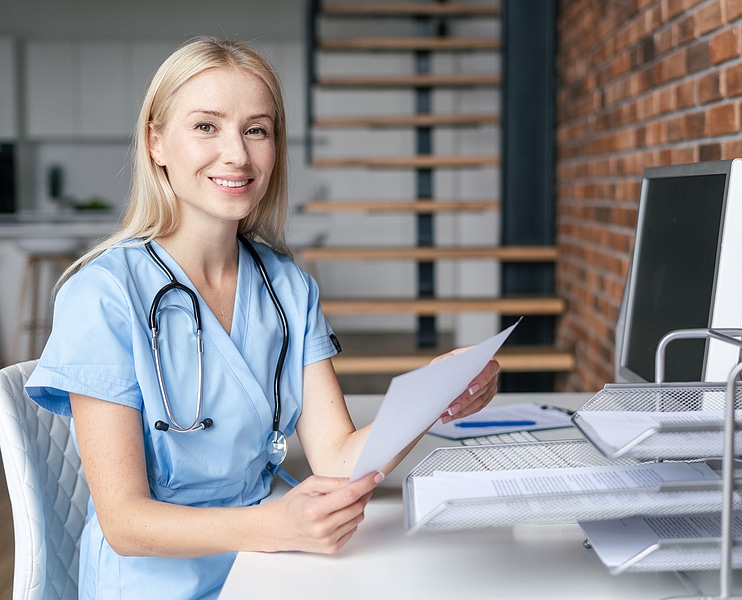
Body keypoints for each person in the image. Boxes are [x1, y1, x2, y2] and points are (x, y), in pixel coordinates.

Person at [24, 37, 500, 599]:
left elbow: (339, 460)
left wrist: (435, 397)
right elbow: (126, 524)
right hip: (158, 583)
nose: (238, 155)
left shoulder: (286, 286)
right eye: (206, 126)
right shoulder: (103, 295)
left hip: (267, 569)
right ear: (156, 142)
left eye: (257, 129)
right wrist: (274, 527)